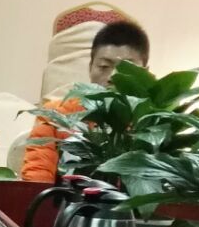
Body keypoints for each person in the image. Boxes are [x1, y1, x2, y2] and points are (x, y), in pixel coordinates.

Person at [20, 18, 151, 183]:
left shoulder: (153, 122)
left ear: (145, 73)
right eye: (104, 66)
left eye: (126, 69)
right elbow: (37, 180)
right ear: (90, 67)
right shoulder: (54, 116)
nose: (112, 77)